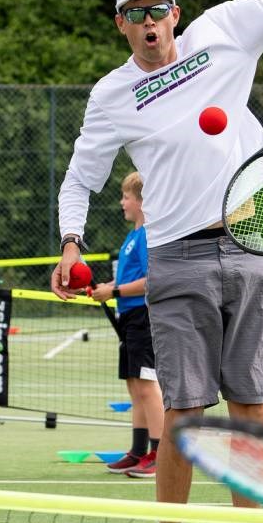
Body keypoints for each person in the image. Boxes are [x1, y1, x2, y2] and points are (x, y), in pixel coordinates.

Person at [50, 0, 263, 523]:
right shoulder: (113, 94)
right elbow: (80, 179)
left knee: (250, 410)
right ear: (120, 23)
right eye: (135, 12)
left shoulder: (223, 32)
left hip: (250, 246)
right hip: (177, 259)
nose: (149, 20)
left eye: (158, 9)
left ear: (176, 14)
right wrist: (71, 243)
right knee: (186, 415)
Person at [90, 172, 163, 479]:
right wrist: (105, 288)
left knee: (147, 385)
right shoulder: (133, 236)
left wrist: (115, 292)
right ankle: (138, 451)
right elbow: (127, 279)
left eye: (127, 197)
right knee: (135, 387)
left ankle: (161, 455)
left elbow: (152, 281)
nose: (122, 202)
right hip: (128, 319)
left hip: (144, 318)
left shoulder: (148, 234)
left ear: (143, 201)